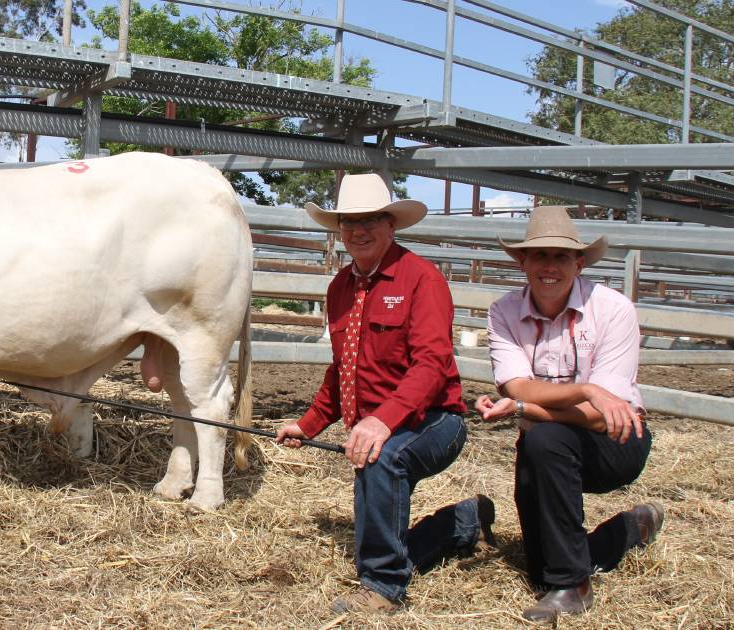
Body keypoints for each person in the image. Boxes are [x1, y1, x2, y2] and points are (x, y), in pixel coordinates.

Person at [276, 173, 492, 615]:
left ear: (391, 224)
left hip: (436, 421)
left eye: (370, 219)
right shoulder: (340, 287)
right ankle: (463, 522)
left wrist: (381, 420)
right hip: (380, 428)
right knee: (380, 505)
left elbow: (432, 366)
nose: (358, 231)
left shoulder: (421, 279)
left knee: (382, 458)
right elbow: (343, 368)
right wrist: (309, 423)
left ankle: (384, 588)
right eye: (348, 222)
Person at [475, 205, 664, 623]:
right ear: (522, 261)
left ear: (579, 263)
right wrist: (585, 389)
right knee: (538, 568)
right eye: (539, 255)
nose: (549, 266)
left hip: (617, 442)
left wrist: (527, 408)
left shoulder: (612, 309)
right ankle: (632, 529)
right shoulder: (503, 311)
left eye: (560, 256)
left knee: (542, 438)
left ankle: (573, 586)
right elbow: (517, 385)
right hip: (548, 447)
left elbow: (603, 419)